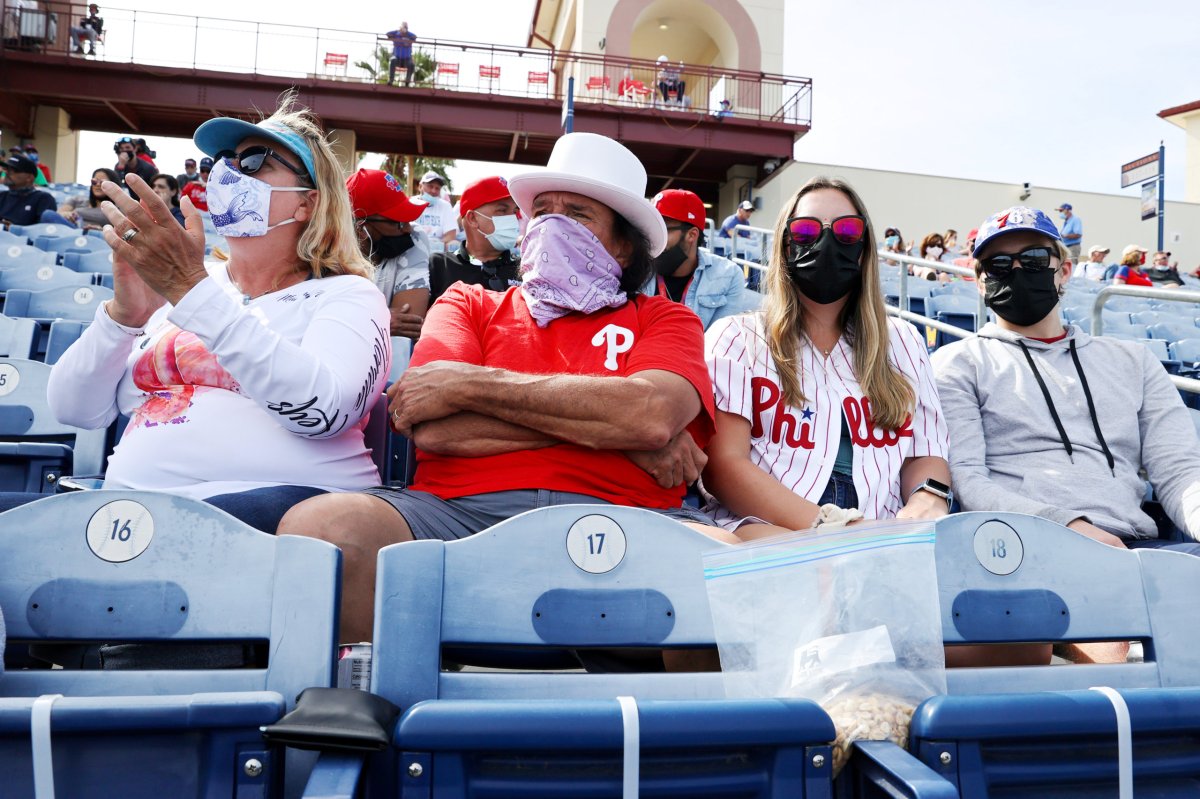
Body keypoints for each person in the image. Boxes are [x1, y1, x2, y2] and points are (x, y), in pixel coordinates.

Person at [278, 131, 733, 643]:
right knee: (323, 529)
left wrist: (468, 384)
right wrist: (615, 433)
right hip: (456, 513)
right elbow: (433, 427)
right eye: (541, 211)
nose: (552, 226)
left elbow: (649, 415)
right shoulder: (467, 302)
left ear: (623, 246)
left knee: (735, 572)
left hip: (630, 520)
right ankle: (353, 712)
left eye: (578, 214)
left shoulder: (666, 319)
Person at [25, 97, 391, 535]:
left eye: (253, 161)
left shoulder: (348, 294)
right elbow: (73, 409)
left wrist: (190, 290)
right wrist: (125, 316)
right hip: (128, 516)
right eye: (222, 161)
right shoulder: (196, 285)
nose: (229, 173)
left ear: (307, 203)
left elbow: (321, 412)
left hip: (279, 521)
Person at [932, 206, 1200, 661]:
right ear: (980, 282)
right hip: (1028, 549)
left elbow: (1180, 472)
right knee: (1122, 657)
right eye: (998, 265)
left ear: (1065, 271)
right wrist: (1069, 527)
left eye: (1034, 259)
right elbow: (970, 481)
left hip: (1138, 548)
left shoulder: (1134, 361)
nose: (1016, 271)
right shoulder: (955, 364)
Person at [702, 175, 951, 542]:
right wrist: (834, 529)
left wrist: (928, 499)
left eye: (848, 232)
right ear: (785, 247)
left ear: (865, 249)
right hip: (764, 531)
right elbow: (725, 465)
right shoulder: (736, 337)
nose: (827, 243)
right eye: (805, 232)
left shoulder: (904, 341)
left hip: (881, 535)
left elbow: (926, 453)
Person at [644, 188, 761, 330]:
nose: (652, 238)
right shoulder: (634, 268)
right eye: (650, 228)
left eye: (662, 230)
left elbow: (719, 344)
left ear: (692, 235)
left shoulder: (729, 275)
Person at [346, 167, 432, 340]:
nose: (408, 229)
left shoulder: (415, 237)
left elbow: (409, 326)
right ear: (360, 228)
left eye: (408, 220)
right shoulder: (323, 254)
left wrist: (354, 320)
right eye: (398, 223)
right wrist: (376, 321)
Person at [427, 175, 522, 305]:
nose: (512, 218)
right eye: (502, 210)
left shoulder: (524, 269)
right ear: (472, 218)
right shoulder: (439, 265)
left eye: (514, 211)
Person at [46, 167, 120, 229]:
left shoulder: (118, 208)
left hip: (98, 235)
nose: (97, 184)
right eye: (94, 181)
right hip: (72, 229)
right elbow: (58, 214)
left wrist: (101, 230)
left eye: (102, 182)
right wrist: (67, 214)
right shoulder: (77, 200)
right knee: (48, 214)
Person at [0, 152, 56, 225]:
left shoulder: (43, 199)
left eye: (13, 170)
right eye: (6, 169)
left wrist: (15, 229)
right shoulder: (2, 196)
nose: (7, 173)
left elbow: (44, 231)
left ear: (29, 178)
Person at [412, 170, 458, 253]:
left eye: (437, 188)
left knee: (454, 244)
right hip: (414, 245)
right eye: (430, 186)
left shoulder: (445, 206)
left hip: (438, 248)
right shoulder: (410, 203)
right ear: (420, 186)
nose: (434, 191)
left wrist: (437, 244)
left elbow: (451, 235)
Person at [385, 22, 417, 87]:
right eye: (404, 27)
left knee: (411, 65)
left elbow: (415, 37)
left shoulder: (409, 36)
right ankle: (391, 80)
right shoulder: (396, 34)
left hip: (407, 60)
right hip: (397, 58)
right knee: (392, 61)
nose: (405, 28)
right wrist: (397, 31)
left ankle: (407, 82)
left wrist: (407, 33)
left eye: (406, 27)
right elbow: (388, 34)